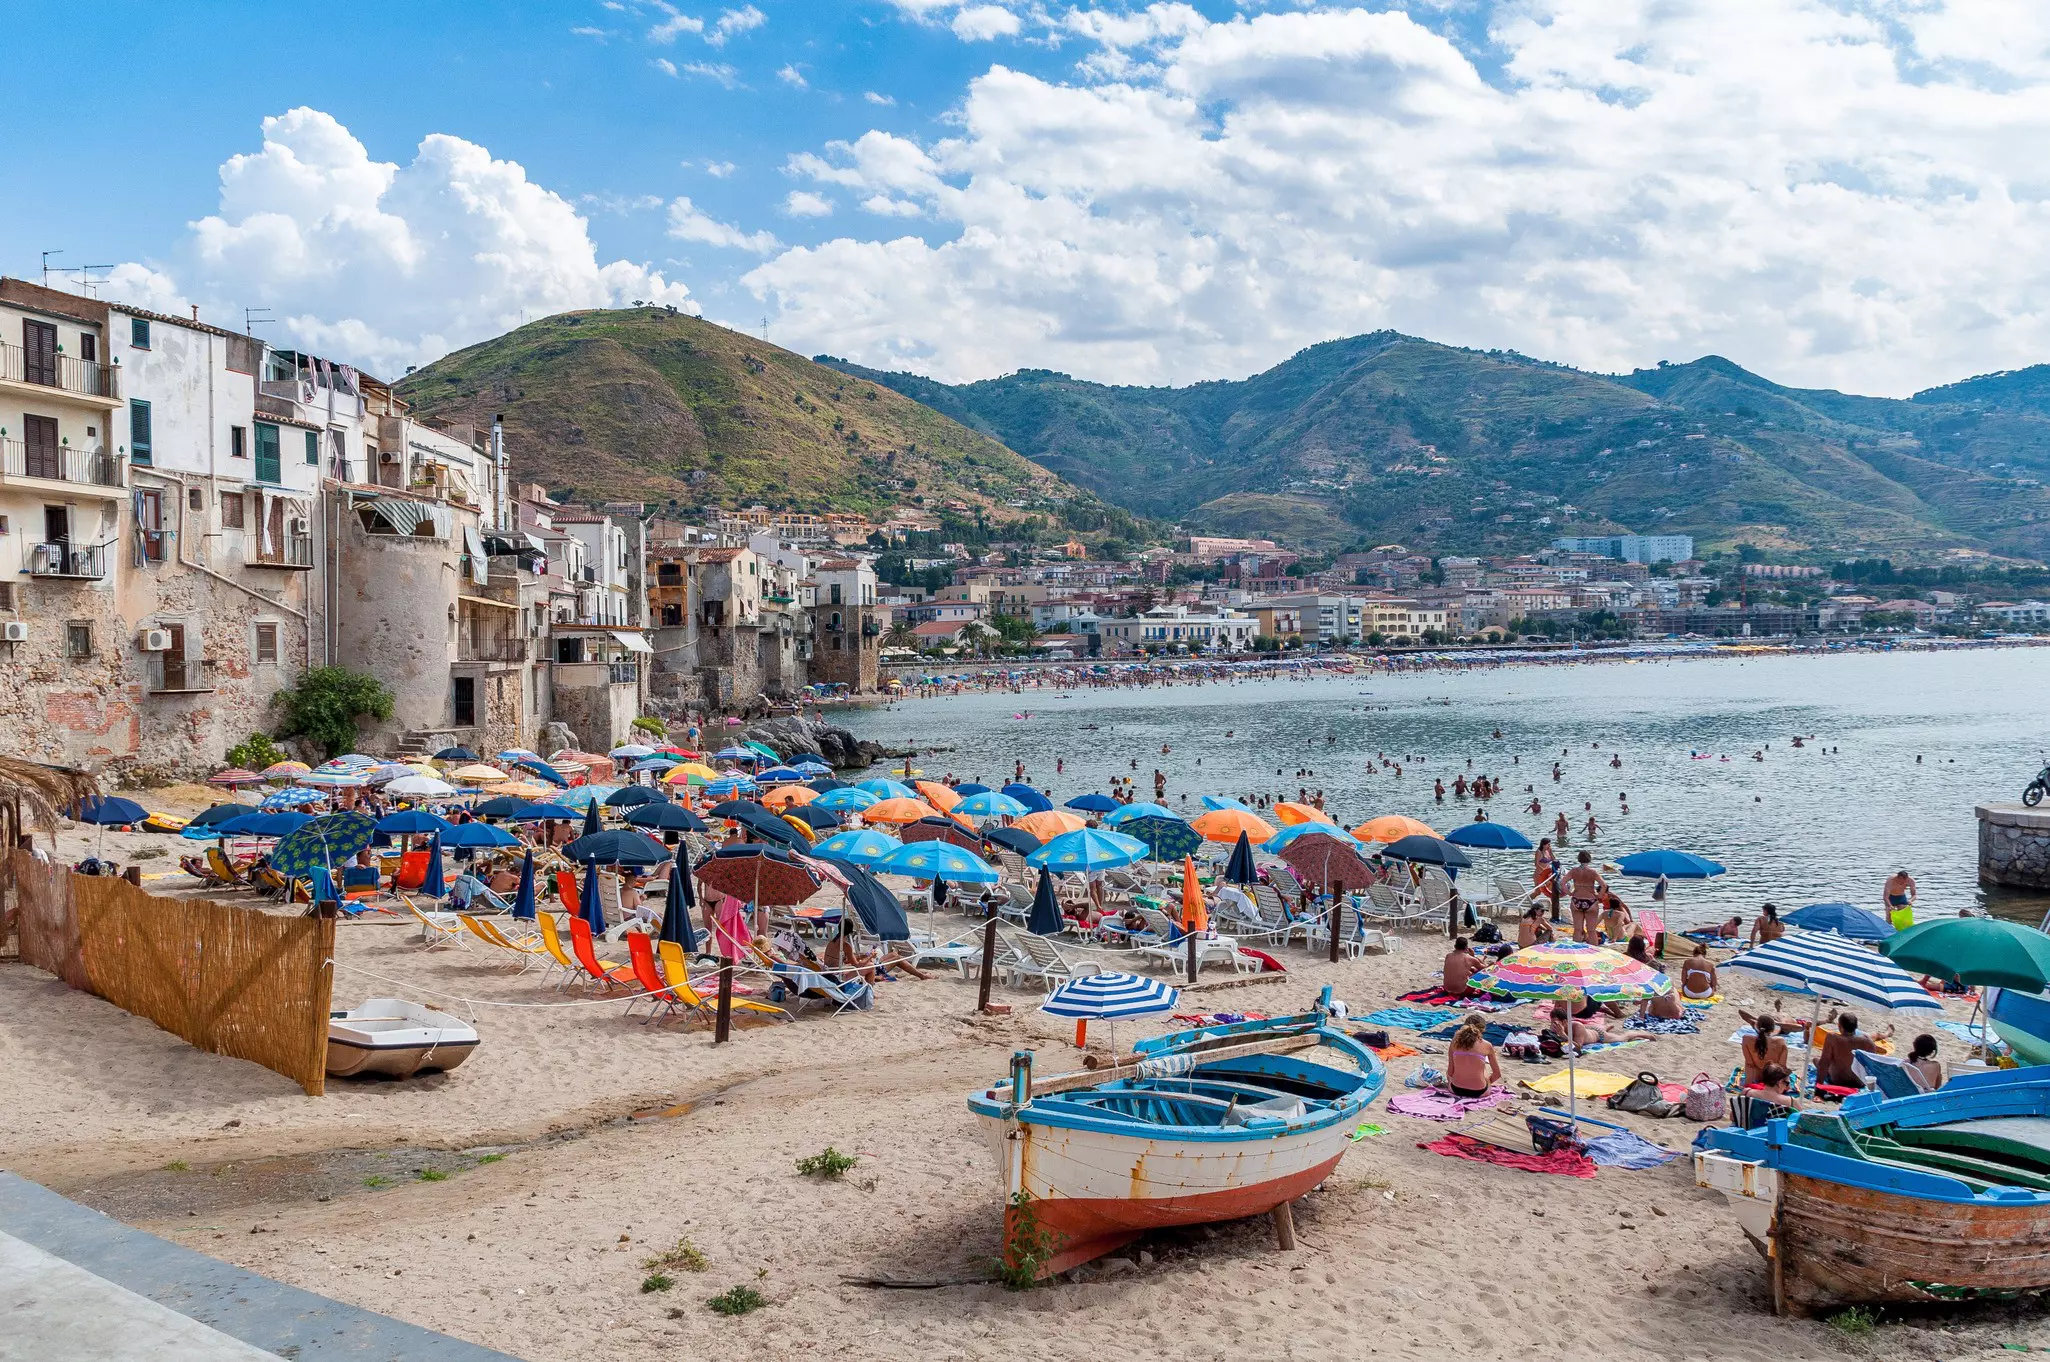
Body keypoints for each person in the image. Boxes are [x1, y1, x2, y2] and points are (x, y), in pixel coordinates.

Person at [1816, 1011, 1893, 1089]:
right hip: (1859, 1083)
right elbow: (1873, 1066)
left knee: (1816, 1060)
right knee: (1875, 1035)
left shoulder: (1832, 1038)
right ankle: (1888, 1033)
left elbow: (1824, 1062)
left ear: (1840, 1026)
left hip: (1838, 1080)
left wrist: (1818, 1089)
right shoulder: (1867, 1041)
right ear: (1856, 1027)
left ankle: (1888, 1033)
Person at [1445, 1013, 1502, 1099]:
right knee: (1483, 1069)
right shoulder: (1487, 1045)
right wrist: (1488, 1082)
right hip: (1479, 1091)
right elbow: (1497, 1074)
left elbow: (1450, 1072)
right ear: (1483, 1029)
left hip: (1456, 1089)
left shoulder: (1454, 1043)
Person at [1561, 851, 1606, 943]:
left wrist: (1569, 893)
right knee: (1591, 930)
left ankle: (1576, 952)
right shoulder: (1592, 872)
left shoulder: (1573, 871)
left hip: (1576, 900)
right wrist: (1599, 896)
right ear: (1589, 859)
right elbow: (1604, 885)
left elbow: (1562, 883)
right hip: (1590, 901)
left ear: (1579, 859)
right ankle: (1594, 952)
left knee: (1577, 929)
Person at [1741, 1014, 1789, 1087]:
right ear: (1773, 1029)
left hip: (1755, 1077)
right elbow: (1782, 1065)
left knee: (1749, 1064)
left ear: (1757, 1027)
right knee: (1782, 1068)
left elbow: (1749, 1062)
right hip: (1772, 1077)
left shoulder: (1746, 1039)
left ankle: (1748, 1083)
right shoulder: (1780, 1041)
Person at [1533, 838, 1560, 922]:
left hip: (1547, 876)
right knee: (1538, 892)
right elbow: (1536, 864)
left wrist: (1551, 852)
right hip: (1539, 874)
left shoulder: (1548, 852)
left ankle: (1555, 911)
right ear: (1543, 844)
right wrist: (1544, 871)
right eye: (1548, 844)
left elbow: (1554, 860)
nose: (1549, 846)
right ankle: (1526, 901)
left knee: (1553, 893)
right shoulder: (1539, 852)